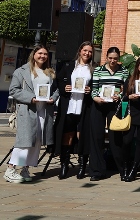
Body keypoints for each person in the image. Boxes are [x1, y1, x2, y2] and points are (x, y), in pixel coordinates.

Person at [5, 45, 58, 183]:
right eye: (40, 53)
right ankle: (11, 169)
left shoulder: (50, 72)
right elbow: (14, 90)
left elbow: (56, 90)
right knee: (24, 142)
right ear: (34, 54)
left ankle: (25, 168)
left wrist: (54, 98)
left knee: (37, 142)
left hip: (44, 111)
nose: (43, 56)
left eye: (45, 54)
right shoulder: (21, 71)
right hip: (28, 111)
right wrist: (31, 98)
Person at [53, 41, 94, 180]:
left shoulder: (93, 68)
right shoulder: (69, 66)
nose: (87, 53)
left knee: (82, 135)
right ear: (80, 50)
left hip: (84, 106)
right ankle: (64, 165)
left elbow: (96, 86)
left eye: (90, 51)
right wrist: (65, 87)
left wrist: (91, 90)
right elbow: (58, 81)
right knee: (67, 134)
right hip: (69, 105)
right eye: (85, 50)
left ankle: (82, 166)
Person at [88, 46, 129, 181]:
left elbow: (126, 89)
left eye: (115, 59)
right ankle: (97, 171)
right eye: (110, 58)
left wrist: (120, 95)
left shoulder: (123, 71)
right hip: (99, 105)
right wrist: (95, 98)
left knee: (115, 137)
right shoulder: (99, 70)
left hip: (114, 106)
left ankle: (122, 169)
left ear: (119, 59)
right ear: (106, 58)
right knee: (97, 137)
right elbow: (94, 88)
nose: (112, 61)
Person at [115, 55, 140, 182]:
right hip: (131, 113)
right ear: (137, 66)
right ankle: (125, 167)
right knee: (127, 141)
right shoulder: (130, 80)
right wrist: (130, 97)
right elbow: (124, 98)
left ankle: (134, 169)